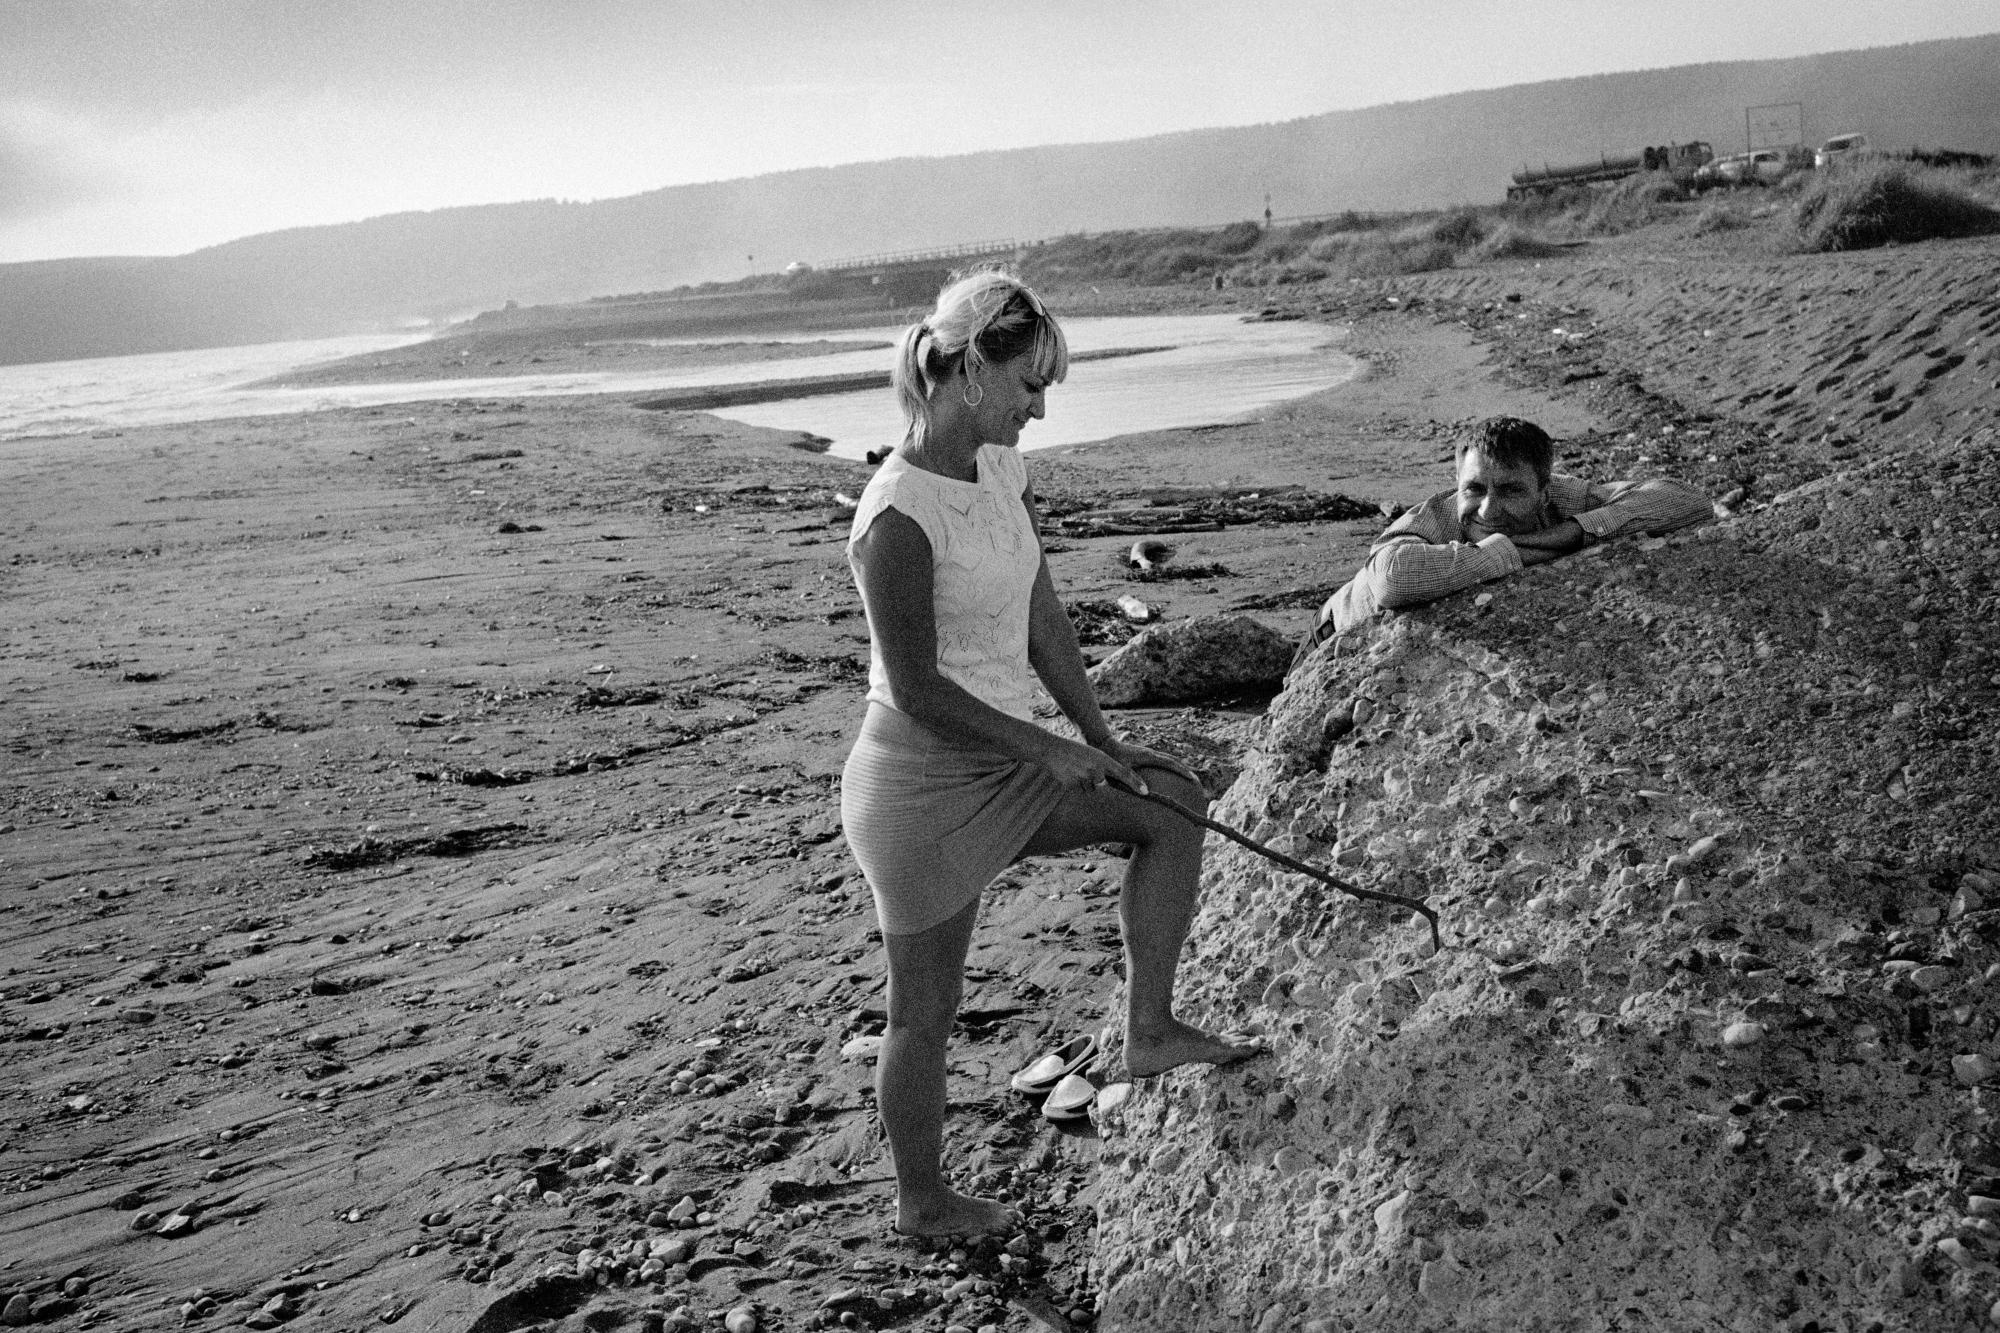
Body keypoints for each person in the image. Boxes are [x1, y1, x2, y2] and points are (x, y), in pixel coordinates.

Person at [840, 270, 1262, 1238]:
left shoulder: (999, 472)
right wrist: (1047, 750)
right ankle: (921, 1202)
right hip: (918, 785)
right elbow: (915, 688)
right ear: (971, 371)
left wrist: (1100, 737)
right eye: (1030, 384)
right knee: (924, 1012)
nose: (1040, 406)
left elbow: (1040, 619)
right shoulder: (894, 515)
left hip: (1006, 758)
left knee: (1168, 800)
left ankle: (1147, 1033)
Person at [1302, 416, 1715, 648]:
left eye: (1512, 490)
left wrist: (1574, 532)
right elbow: (1393, 580)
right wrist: (1514, 552)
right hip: (1328, 635)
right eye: (1474, 488)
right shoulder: (1428, 521)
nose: (1488, 508)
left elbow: (1688, 501)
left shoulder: (1568, 497)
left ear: (1543, 490)